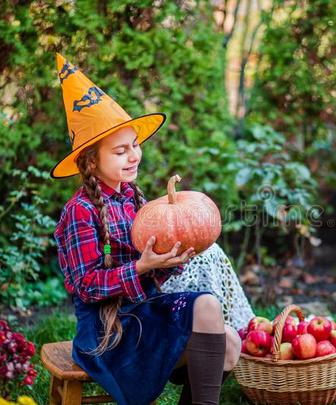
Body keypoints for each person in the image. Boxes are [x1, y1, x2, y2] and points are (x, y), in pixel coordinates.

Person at [51, 53, 240, 405]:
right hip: (109, 335)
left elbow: (151, 277)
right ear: (92, 161)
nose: (134, 156)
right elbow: (87, 286)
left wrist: (172, 259)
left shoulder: (134, 201)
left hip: (144, 313)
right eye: (121, 151)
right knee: (217, 332)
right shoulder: (80, 211)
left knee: (227, 336)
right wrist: (141, 267)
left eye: (135, 145)